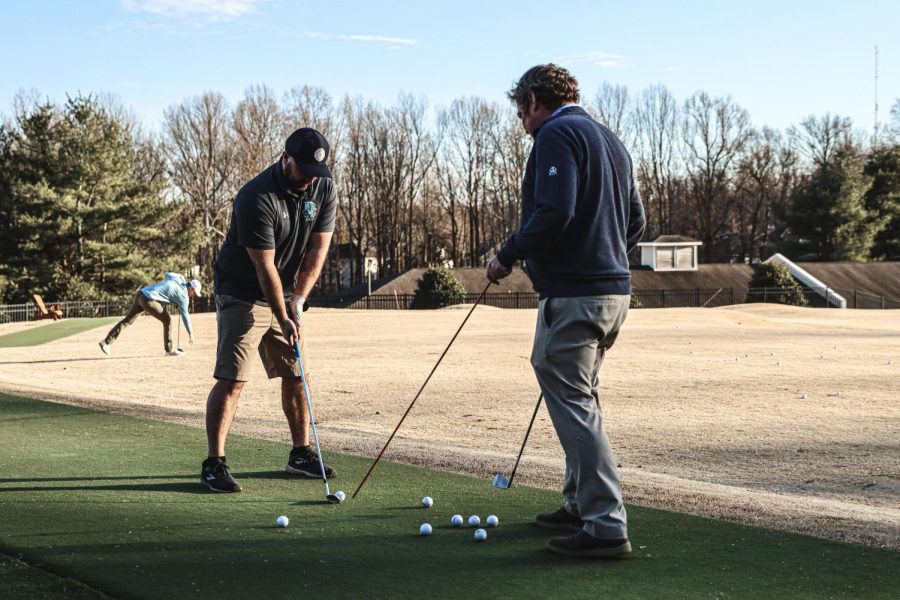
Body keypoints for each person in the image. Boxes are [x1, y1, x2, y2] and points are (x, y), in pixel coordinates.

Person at [486, 64, 646, 558]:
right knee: (579, 394)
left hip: (577, 294)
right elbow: (636, 220)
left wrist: (507, 255)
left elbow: (554, 211)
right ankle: (579, 503)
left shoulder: (556, 134)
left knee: (574, 402)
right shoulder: (608, 137)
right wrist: (606, 258)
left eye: (520, 110)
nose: (521, 120)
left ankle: (604, 524)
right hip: (612, 293)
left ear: (535, 100)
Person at [201, 127, 337, 493]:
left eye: (315, 172)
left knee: (296, 374)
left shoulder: (323, 186)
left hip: (285, 293)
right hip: (242, 292)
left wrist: (298, 302)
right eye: (303, 169)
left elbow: (316, 252)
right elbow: (266, 269)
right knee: (232, 379)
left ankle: (300, 454)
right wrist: (283, 315)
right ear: (285, 159)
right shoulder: (255, 197)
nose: (310, 179)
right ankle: (214, 463)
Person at [100, 273, 200, 357]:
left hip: (140, 294)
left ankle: (106, 342)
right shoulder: (184, 297)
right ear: (191, 288)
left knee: (127, 321)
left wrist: (180, 276)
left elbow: (168, 274)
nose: (193, 295)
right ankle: (169, 350)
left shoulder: (177, 279)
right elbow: (185, 315)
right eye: (194, 293)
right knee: (167, 320)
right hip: (149, 300)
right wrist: (190, 332)